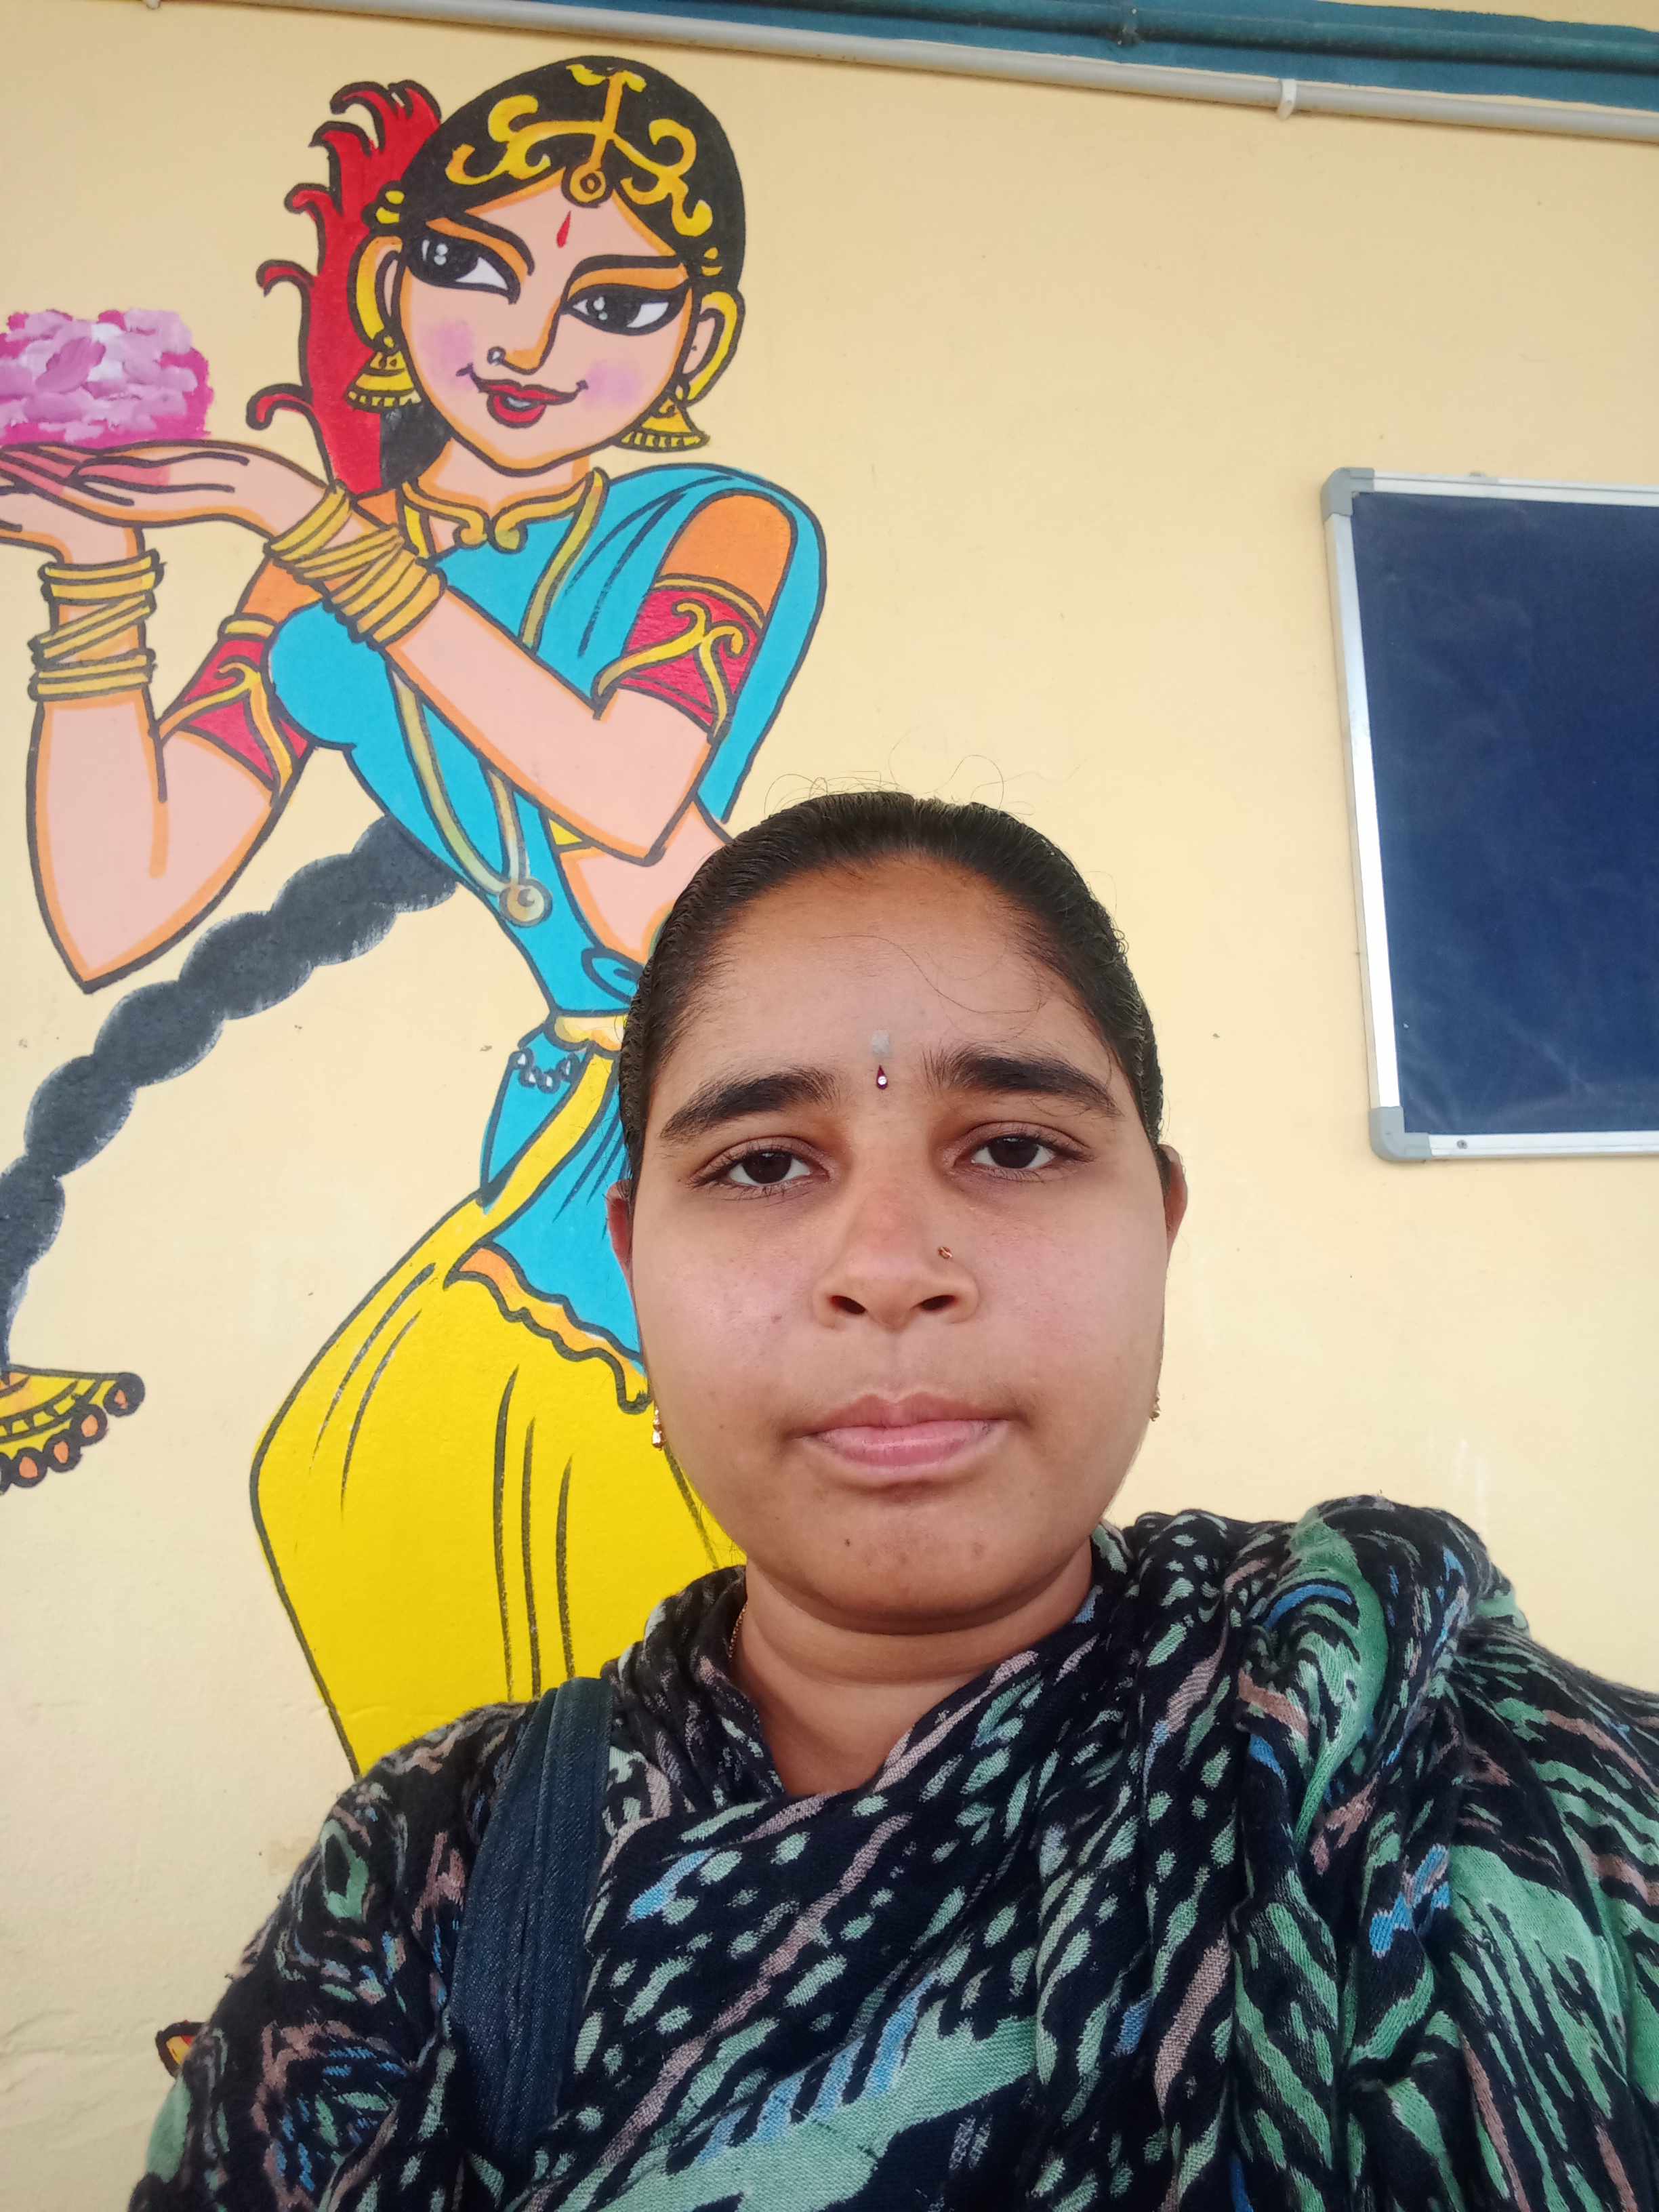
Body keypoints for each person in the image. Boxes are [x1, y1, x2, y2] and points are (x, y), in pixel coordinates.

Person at [130, 789, 1659, 2210]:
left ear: (1161, 1224)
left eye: (1015, 1146)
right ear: (633, 1262)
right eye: (761, 1166)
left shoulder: (1470, 1775)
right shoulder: (430, 1885)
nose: (886, 1267)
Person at [0, 56, 824, 1767]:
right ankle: (502, 1893)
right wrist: (97, 586)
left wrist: (324, 534)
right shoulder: (315, 570)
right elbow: (115, 898)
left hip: (751, 1103)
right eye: (471, 268)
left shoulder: (725, 528)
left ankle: (643, 1885)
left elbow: (622, 801)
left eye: (614, 302)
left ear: (703, 340)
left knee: (450, 1466)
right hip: (575, 1109)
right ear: (391, 281)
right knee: (371, 1486)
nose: (529, 343)